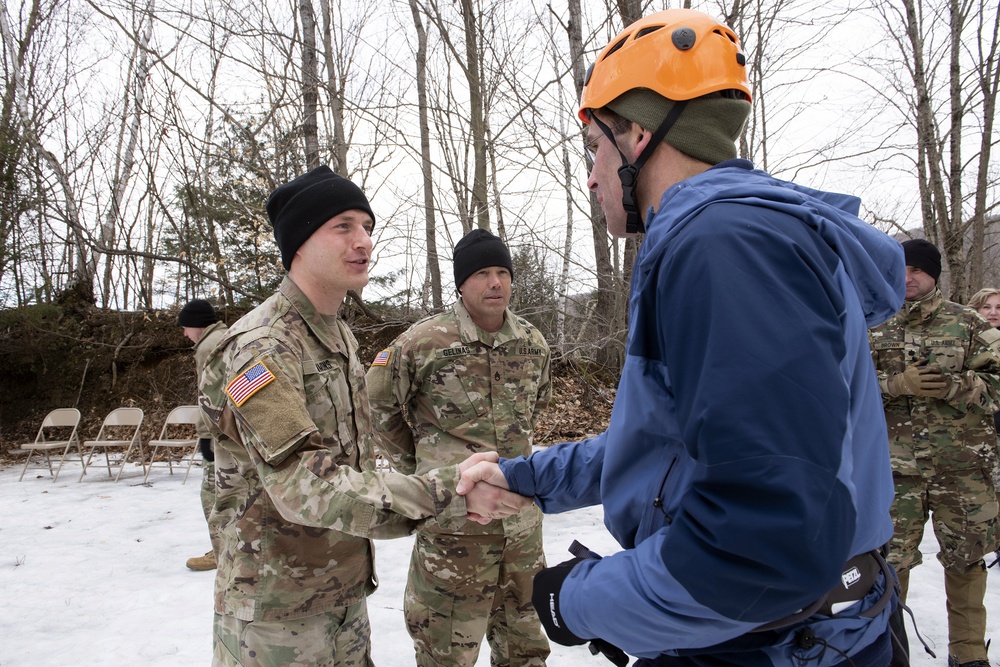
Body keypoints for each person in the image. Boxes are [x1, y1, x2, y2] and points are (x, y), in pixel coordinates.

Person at [459, 8, 909, 667]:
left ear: (638, 133)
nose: (590, 176)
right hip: (794, 633)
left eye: (595, 149)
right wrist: (527, 477)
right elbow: (680, 446)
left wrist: (575, 598)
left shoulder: (723, 247)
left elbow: (760, 542)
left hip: (773, 646)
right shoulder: (737, 237)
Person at [198, 165, 529, 667]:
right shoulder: (263, 347)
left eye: (368, 227)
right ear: (300, 243)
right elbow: (304, 485)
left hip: (342, 595)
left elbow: (355, 459)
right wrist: (445, 489)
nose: (364, 242)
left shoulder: (337, 338)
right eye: (344, 226)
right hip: (276, 615)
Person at [366, 228, 552, 667]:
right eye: (484, 273)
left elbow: (535, 407)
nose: (495, 283)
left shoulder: (532, 343)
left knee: (525, 642)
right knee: (445, 649)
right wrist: (420, 471)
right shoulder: (422, 342)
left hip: (521, 525)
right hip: (455, 527)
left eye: (503, 272)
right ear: (461, 283)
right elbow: (378, 405)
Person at [869, 239, 1000, 667]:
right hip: (892, 471)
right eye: (900, 268)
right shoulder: (870, 324)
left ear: (934, 274)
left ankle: (968, 655)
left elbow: (997, 384)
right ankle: (891, 653)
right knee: (890, 565)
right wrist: (894, 385)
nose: (907, 277)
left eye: (917, 270)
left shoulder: (969, 324)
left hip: (962, 470)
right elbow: (842, 389)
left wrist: (956, 386)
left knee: (966, 560)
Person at [177, 298, 230, 572]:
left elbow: (211, 396)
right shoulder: (226, 337)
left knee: (212, 495)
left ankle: (223, 552)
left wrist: (207, 436)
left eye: (185, 327)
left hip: (219, 435)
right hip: (230, 432)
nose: (185, 334)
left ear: (197, 324)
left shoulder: (209, 346)